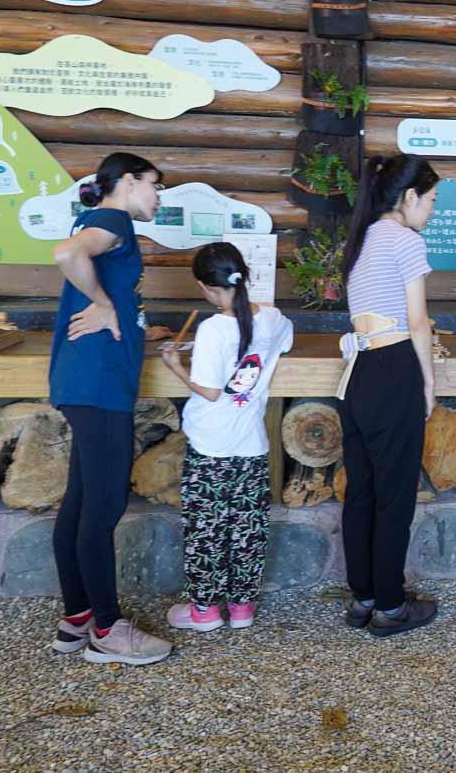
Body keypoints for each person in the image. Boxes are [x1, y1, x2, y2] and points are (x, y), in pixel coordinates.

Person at [48, 152, 173, 666]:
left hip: (87, 380)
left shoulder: (99, 219)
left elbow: (109, 299)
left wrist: (135, 327)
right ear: (126, 182)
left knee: (80, 505)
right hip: (99, 386)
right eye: (154, 186)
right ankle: (106, 629)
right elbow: (66, 255)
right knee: (101, 512)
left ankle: (76, 616)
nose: (158, 198)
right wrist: (102, 302)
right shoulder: (112, 219)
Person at [160, 243, 294, 632]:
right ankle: (241, 609)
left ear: (204, 285)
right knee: (246, 527)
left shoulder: (213, 329)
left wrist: (174, 365)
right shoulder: (271, 319)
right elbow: (284, 341)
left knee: (207, 527)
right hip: (250, 444)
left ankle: (204, 611)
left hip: (210, 446)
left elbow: (210, 390)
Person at [338, 154, 441, 637]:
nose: (432, 211)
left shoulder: (360, 240)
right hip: (394, 366)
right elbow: (417, 323)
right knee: (394, 497)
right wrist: (428, 384)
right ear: (409, 197)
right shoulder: (405, 240)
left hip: (358, 370)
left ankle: (363, 597)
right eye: (432, 200)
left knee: (362, 491)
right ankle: (392, 607)